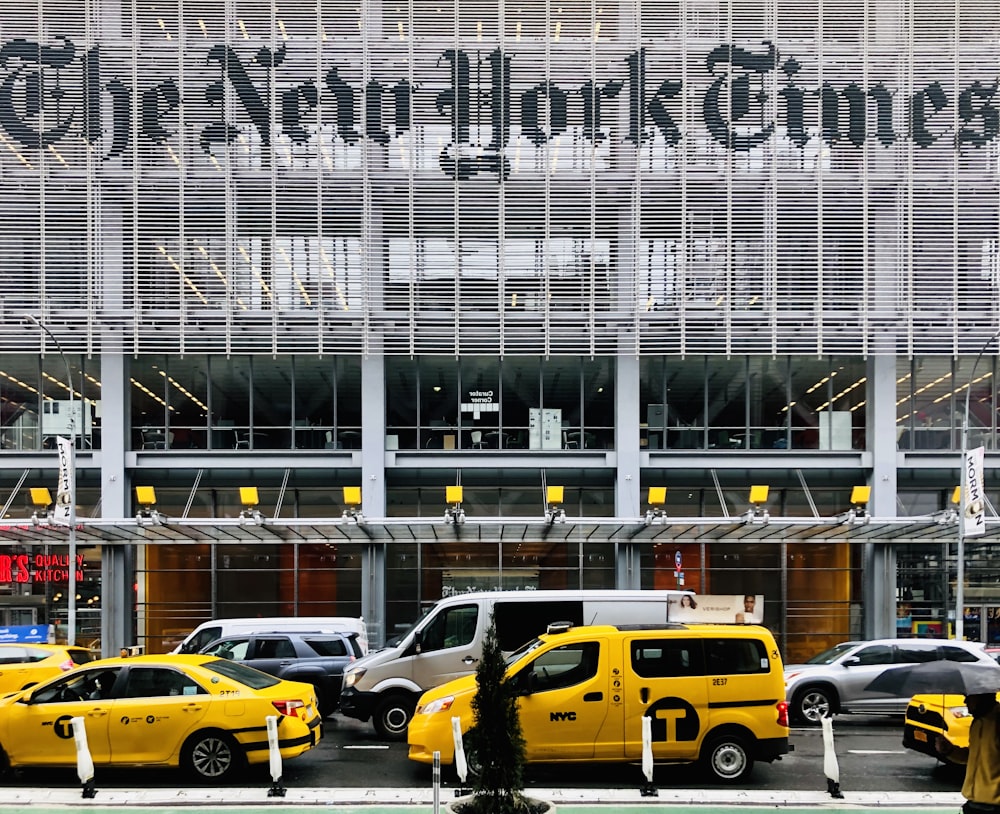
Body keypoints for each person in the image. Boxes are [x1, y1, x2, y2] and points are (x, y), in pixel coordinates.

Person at [936, 693, 1000, 814]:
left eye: (969, 697)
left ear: (982, 697)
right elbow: (971, 756)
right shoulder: (978, 723)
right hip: (974, 802)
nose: (965, 701)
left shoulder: (996, 721)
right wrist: (949, 750)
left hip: (994, 806)